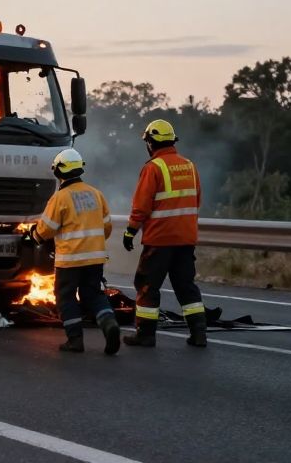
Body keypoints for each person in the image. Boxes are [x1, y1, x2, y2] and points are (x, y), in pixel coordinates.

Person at [121, 119, 207, 348]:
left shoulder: (153, 168)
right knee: (186, 286)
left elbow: (141, 206)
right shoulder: (189, 166)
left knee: (147, 285)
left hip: (159, 240)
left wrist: (130, 232)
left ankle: (145, 335)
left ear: (151, 142)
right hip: (185, 239)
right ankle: (199, 334)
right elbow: (197, 200)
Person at [30, 148, 120, 354]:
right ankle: (109, 324)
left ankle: (75, 340)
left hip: (70, 260)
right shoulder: (97, 194)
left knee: (66, 297)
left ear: (58, 172)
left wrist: (33, 235)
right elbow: (107, 227)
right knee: (94, 295)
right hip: (96, 257)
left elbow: (46, 229)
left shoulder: (60, 198)